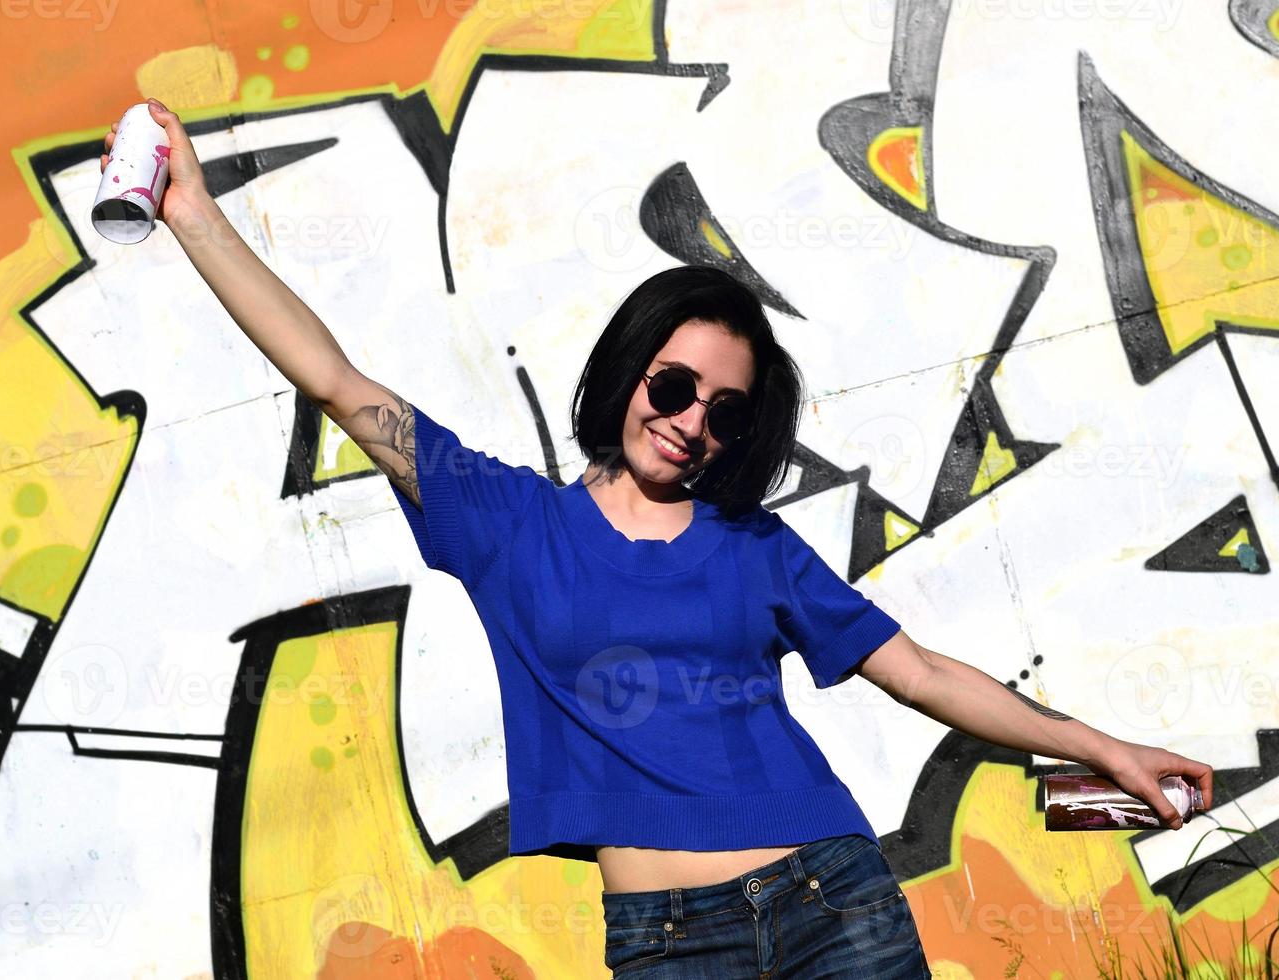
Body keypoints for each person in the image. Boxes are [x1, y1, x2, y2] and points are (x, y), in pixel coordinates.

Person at [109, 99, 1215, 978]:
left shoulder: (752, 547)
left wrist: (1099, 746)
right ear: (629, 370)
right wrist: (194, 212)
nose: (691, 421)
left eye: (724, 411)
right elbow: (340, 384)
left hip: (837, 901)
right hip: (669, 942)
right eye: (674, 384)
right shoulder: (508, 523)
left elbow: (918, 673)